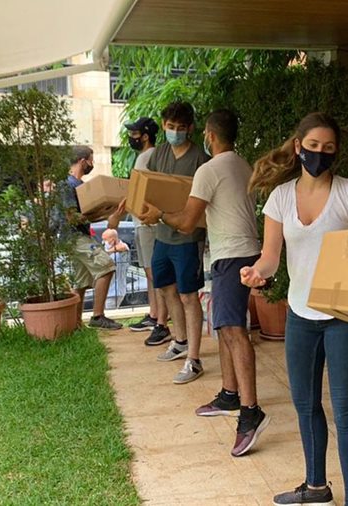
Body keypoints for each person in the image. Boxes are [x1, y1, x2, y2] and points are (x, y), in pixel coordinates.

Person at [241, 112, 348, 506]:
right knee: (305, 405)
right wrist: (257, 272)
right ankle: (316, 487)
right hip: (301, 314)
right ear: (298, 147)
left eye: (328, 148)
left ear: (336, 152)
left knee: (346, 412)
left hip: (345, 317)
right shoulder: (280, 198)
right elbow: (271, 256)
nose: (320, 154)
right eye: (313, 146)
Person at [139, 109, 269, 457]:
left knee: (234, 331)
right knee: (226, 327)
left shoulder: (208, 170)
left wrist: (159, 214)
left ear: (209, 135)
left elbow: (187, 223)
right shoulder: (242, 165)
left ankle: (251, 411)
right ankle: (229, 394)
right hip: (242, 252)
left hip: (231, 256)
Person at [143, 102, 210, 383]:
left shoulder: (201, 159)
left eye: (180, 127)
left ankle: (194, 359)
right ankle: (180, 341)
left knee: (188, 296)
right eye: (170, 127)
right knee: (166, 288)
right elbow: (148, 187)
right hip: (162, 236)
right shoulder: (158, 153)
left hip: (188, 238)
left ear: (190, 128)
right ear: (163, 125)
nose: (175, 132)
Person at [60, 146, 123, 330]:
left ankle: (75, 325)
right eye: (91, 160)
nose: (92, 164)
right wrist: (101, 213)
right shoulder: (68, 185)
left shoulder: (78, 184)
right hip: (75, 237)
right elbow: (71, 217)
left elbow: (84, 216)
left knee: (81, 282)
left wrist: (107, 214)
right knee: (107, 267)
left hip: (75, 237)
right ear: (82, 161)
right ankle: (97, 316)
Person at [123, 117, 171, 340]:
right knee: (149, 272)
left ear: (145, 136)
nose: (131, 137)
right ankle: (154, 315)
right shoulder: (146, 156)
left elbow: (143, 190)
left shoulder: (148, 156)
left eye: (134, 133)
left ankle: (162, 322)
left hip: (147, 223)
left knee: (155, 273)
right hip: (141, 222)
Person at [101, 228, 130, 310]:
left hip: (115, 291)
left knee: (109, 313)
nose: (104, 242)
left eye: (105, 240)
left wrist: (108, 252)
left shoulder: (122, 248)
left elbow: (123, 247)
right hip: (107, 290)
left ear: (113, 240)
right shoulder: (106, 247)